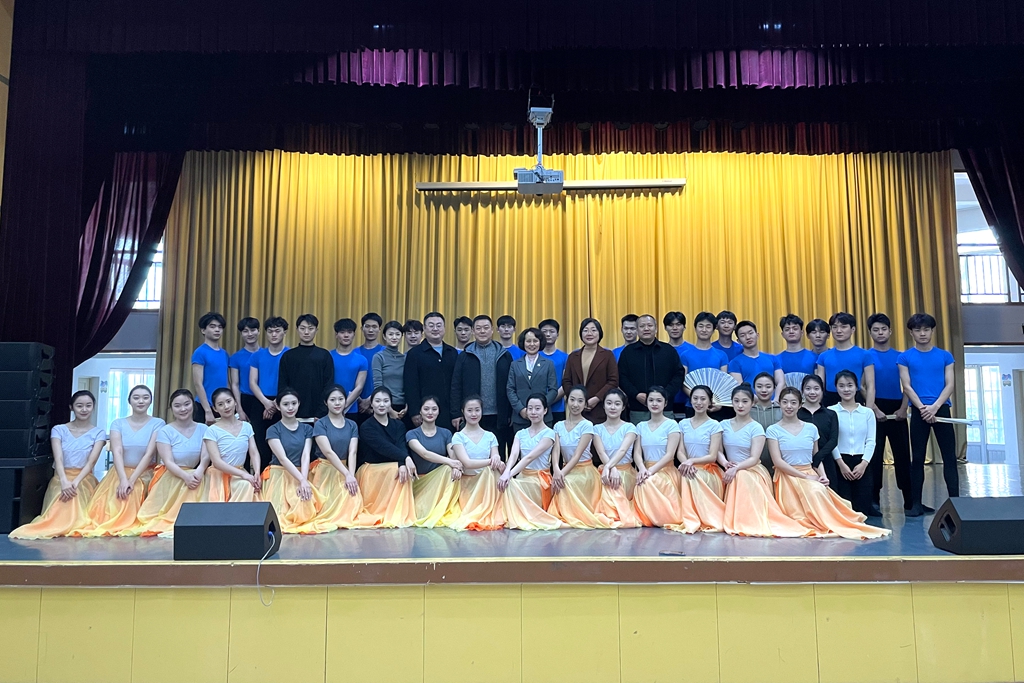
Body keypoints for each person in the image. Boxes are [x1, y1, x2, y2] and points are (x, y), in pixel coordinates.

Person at [769, 387, 890, 539]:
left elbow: (816, 457)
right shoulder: (773, 430)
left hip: (809, 472)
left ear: (800, 405)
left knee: (818, 490)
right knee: (801, 507)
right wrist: (805, 477)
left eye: (793, 402)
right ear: (779, 403)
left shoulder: (811, 428)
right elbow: (778, 462)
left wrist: (823, 476)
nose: (789, 406)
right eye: (785, 402)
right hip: (787, 476)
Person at [9, 391, 106, 539]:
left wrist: (75, 483)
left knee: (76, 498)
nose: (84, 409)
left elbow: (91, 462)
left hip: (84, 479)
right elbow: (58, 458)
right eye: (79, 405)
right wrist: (64, 481)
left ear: (93, 407)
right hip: (61, 477)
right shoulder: (59, 429)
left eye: (88, 405)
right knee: (60, 505)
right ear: (71, 407)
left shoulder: (98, 433)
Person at [719, 384, 811, 538]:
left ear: (752, 403)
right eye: (736, 401)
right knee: (737, 475)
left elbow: (754, 458)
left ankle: (745, 521)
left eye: (745, 401)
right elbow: (718, 451)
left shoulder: (757, 428)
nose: (740, 405)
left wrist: (736, 468)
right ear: (731, 402)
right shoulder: (723, 425)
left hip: (751, 470)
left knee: (741, 476)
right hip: (730, 469)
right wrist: (725, 464)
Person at [76, 385, 164, 537]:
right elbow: (117, 451)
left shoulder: (158, 423)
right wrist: (124, 479)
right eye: (136, 398)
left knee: (134, 492)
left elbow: (149, 453)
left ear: (150, 401)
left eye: (145, 397)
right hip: (119, 472)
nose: (141, 401)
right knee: (110, 505)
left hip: (145, 472)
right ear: (129, 401)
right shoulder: (118, 423)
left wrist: (132, 480)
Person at [125, 389, 211, 537]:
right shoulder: (165, 431)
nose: (183, 409)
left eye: (186, 404)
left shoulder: (204, 429)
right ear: (171, 408)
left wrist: (199, 471)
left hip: (195, 474)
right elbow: (168, 461)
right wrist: (186, 476)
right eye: (177, 406)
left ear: (193, 405)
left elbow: (205, 457)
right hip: (171, 475)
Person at [898, 313, 958, 517]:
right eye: (918, 330)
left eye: (926, 329)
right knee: (917, 458)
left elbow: (950, 384)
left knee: (949, 458)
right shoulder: (904, 357)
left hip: (941, 409)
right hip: (918, 410)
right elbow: (906, 386)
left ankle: (956, 503)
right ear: (911, 332)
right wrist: (923, 408)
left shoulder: (945, 356)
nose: (922, 333)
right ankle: (916, 504)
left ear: (932, 331)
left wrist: (935, 406)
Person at [311, 385, 379, 530]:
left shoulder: (352, 425)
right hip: (326, 470)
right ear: (326, 402)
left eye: (340, 399)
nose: (337, 403)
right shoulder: (320, 424)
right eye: (333, 400)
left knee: (351, 503)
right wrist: (347, 474)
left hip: (346, 470)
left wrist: (351, 475)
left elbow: (352, 452)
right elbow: (328, 452)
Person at [497, 394, 563, 530]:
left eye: (537, 408)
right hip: (523, 476)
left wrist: (509, 475)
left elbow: (529, 457)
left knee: (511, 484)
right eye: (530, 408)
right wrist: (507, 472)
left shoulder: (549, 433)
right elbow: (513, 455)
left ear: (545, 410)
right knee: (506, 483)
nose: (533, 412)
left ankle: (523, 517)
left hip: (540, 479)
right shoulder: (520, 433)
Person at [263, 390, 324, 533]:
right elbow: (283, 459)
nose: (290, 407)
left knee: (306, 506)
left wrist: (304, 480)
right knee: (281, 515)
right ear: (278, 406)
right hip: (280, 474)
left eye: (293, 403)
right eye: (286, 404)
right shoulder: (273, 430)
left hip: (301, 473)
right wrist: (302, 480)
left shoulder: (307, 429)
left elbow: (305, 455)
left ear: (298, 404)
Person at [868, 313, 912, 512]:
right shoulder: (866, 356)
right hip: (874, 408)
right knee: (875, 457)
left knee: (902, 456)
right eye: (876, 330)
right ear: (870, 333)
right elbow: (863, 386)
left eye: (883, 329)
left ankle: (910, 501)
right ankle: (873, 501)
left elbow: (908, 385)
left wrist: (903, 407)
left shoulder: (901, 356)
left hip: (898, 408)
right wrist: (874, 408)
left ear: (890, 331)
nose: (880, 333)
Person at [450, 315, 513, 453]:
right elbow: (456, 385)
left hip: (499, 414)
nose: (482, 331)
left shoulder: (504, 355)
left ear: (492, 330)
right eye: (478, 328)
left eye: (486, 328)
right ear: (473, 331)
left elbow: (511, 385)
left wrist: (510, 412)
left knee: (498, 454)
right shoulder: (465, 355)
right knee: (473, 453)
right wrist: (456, 413)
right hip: (472, 413)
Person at [357, 386, 416, 527]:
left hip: (393, 466)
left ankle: (399, 512)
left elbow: (401, 445)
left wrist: (402, 463)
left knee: (402, 470)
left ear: (390, 404)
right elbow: (384, 447)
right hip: (372, 469)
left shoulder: (399, 425)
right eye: (377, 401)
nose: (381, 404)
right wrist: (406, 458)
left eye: (385, 401)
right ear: (371, 404)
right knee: (397, 469)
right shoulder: (366, 427)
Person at [547, 386, 606, 528]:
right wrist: (556, 470)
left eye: (580, 401)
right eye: (572, 400)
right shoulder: (558, 425)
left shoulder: (587, 425)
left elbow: (577, 455)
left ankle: (574, 515)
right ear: (566, 401)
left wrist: (561, 474)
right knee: (558, 482)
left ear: (585, 404)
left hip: (584, 471)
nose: (575, 404)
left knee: (565, 482)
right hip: (565, 469)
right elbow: (556, 451)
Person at [632, 387, 687, 528]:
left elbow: (670, 455)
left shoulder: (672, 425)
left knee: (650, 481)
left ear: (665, 403)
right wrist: (642, 469)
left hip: (665, 471)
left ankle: (662, 517)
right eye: (651, 400)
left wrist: (650, 471)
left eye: (658, 400)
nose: (654, 404)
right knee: (644, 480)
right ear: (646, 403)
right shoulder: (641, 426)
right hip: (645, 469)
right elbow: (637, 453)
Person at [449, 396, 506, 531]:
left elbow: (495, 455)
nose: (473, 414)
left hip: (487, 485)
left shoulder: (490, 436)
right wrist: (491, 461)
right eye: (470, 410)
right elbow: (467, 463)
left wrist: (497, 460)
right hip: (468, 485)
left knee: (493, 472)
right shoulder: (458, 437)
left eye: (477, 410)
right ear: (463, 412)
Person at [675, 385, 727, 533]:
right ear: (690, 400)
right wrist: (687, 463)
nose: (699, 402)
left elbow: (712, 455)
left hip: (707, 470)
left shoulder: (715, 425)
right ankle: (689, 517)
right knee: (686, 476)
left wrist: (692, 461)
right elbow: (680, 451)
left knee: (693, 477)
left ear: (710, 401)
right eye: (695, 398)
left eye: (703, 399)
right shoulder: (683, 424)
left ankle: (705, 517)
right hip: (687, 467)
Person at [406, 396, 462, 527]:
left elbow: (453, 455)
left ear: (439, 411)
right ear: (420, 411)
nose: (430, 412)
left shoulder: (446, 433)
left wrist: (455, 466)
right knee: (449, 466)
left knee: (450, 469)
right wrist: (450, 462)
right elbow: (424, 453)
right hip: (420, 481)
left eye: (434, 409)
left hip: (441, 481)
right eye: (426, 409)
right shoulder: (412, 434)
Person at [617, 314, 685, 422]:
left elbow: (678, 375)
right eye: (642, 326)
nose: (646, 328)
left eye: (650, 325)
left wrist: (665, 394)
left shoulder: (668, 350)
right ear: (637, 330)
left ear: (656, 328)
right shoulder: (628, 352)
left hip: (665, 408)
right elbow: (622, 377)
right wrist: (636, 394)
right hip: (638, 409)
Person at [590, 389, 643, 526]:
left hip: (625, 472)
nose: (612, 407)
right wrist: (610, 469)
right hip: (605, 472)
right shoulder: (597, 429)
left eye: (617, 404)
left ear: (623, 407)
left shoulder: (630, 427)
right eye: (609, 403)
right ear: (603, 406)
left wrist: (609, 467)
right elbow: (601, 453)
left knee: (614, 493)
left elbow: (622, 450)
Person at [829, 370, 877, 516]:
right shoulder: (831, 412)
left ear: (856, 387)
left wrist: (863, 464)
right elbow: (832, 441)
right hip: (839, 463)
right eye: (841, 386)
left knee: (862, 510)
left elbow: (871, 441)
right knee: (844, 510)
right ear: (836, 388)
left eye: (850, 385)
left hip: (862, 463)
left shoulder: (867, 413)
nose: (846, 389)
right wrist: (841, 464)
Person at [204, 388, 262, 501]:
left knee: (249, 486)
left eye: (228, 401)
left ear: (235, 401)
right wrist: (243, 474)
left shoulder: (246, 426)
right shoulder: (211, 430)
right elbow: (217, 462)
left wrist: (257, 472)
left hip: (240, 474)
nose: (226, 406)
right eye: (220, 404)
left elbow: (254, 452)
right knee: (245, 485)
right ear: (215, 408)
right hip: (219, 476)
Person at [404, 312, 459, 428]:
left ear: (444, 328)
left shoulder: (452, 352)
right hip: (424, 412)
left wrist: (457, 412)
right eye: (431, 325)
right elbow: (410, 385)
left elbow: (457, 384)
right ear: (424, 328)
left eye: (439, 325)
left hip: (449, 412)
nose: (435, 329)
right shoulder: (414, 354)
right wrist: (415, 411)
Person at [248, 315, 289, 469]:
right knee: (260, 441)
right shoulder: (257, 355)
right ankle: (260, 474)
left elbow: (292, 383)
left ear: (284, 332)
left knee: (283, 443)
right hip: (260, 401)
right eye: (270, 331)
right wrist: (266, 403)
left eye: (277, 331)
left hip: (284, 402)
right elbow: (253, 382)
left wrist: (276, 404)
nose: (274, 334)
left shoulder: (290, 354)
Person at [277, 314, 334, 420]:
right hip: (292, 412)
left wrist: (321, 412)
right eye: (302, 328)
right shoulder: (288, 356)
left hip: (319, 415)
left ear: (316, 330)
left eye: (310, 328)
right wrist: (288, 409)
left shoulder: (324, 355)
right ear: (297, 330)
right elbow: (283, 385)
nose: (306, 332)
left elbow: (328, 385)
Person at [563, 318, 619, 424]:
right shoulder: (573, 356)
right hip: (576, 408)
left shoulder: (607, 355)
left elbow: (613, 381)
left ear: (600, 333)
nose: (589, 333)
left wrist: (596, 398)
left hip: (599, 406)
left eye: (593, 330)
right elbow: (566, 381)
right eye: (585, 330)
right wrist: (576, 400)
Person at [816, 312, 875, 407]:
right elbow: (819, 385)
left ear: (853, 329)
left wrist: (869, 410)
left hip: (855, 399)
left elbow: (870, 386)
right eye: (834, 327)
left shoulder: (865, 355)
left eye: (843, 327)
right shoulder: (823, 356)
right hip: (830, 400)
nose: (838, 330)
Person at [506, 328, 559, 431]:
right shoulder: (515, 364)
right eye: (528, 341)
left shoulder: (548, 364)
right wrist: (521, 409)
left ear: (540, 342)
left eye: (535, 341)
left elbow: (553, 390)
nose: (532, 344)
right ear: (523, 343)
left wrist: (540, 407)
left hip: (543, 417)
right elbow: (510, 389)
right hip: (520, 417)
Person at [680, 311, 730, 418]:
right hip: (692, 406)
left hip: (715, 406)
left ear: (714, 329)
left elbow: (723, 383)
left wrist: (716, 403)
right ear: (695, 328)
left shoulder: (721, 355)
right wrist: (697, 399)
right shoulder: (685, 355)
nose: (704, 330)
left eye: (708, 326)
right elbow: (683, 383)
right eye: (701, 326)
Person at [797, 375, 840, 488]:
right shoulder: (797, 413)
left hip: (827, 460)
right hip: (803, 463)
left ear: (822, 390)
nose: (812, 392)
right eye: (808, 388)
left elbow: (833, 440)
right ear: (802, 391)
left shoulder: (830, 414)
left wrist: (817, 458)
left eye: (816, 388)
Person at [191, 312, 230, 424]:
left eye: (220, 327)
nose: (217, 330)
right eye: (212, 327)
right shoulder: (200, 352)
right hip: (205, 406)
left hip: (222, 406)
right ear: (203, 330)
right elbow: (198, 384)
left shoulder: (224, 354)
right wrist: (207, 410)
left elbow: (226, 382)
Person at [329, 318, 370, 421]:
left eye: (349, 332)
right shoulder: (328, 356)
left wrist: (343, 406)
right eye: (342, 332)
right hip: (330, 409)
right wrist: (335, 406)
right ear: (336, 335)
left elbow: (359, 387)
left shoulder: (361, 360)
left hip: (351, 410)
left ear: (354, 334)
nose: (346, 335)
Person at [728, 321, 784, 395]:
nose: (748, 337)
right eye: (742, 335)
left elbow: (781, 382)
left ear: (757, 335)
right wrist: (758, 400)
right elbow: (740, 388)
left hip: (773, 401)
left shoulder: (772, 359)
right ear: (739, 341)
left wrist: (776, 399)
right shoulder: (734, 363)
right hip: (749, 401)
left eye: (750, 333)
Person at [372, 320, 408, 421]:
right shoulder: (379, 357)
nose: (394, 337)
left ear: (402, 336)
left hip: (404, 407)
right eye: (391, 334)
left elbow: (410, 384)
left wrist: (407, 406)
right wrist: (390, 410)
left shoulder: (405, 358)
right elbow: (378, 385)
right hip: (385, 405)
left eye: (397, 334)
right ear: (384, 336)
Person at [229, 317, 261, 424]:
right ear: (241, 334)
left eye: (253, 330)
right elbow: (235, 384)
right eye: (245, 331)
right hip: (245, 399)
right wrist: (239, 408)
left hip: (264, 398)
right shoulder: (236, 357)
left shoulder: (266, 354)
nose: (250, 334)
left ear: (259, 331)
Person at [539, 318, 570, 422]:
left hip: (558, 408)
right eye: (544, 331)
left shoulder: (565, 357)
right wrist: (539, 403)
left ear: (558, 335)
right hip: (536, 408)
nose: (548, 334)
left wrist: (548, 401)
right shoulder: (533, 356)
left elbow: (566, 383)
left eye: (552, 331)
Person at [750, 372, 782, 472]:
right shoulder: (748, 411)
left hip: (780, 463)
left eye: (768, 386)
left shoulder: (782, 410)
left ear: (774, 388)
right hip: (753, 464)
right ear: (754, 388)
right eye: (759, 386)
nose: (764, 390)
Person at [664, 311, 694, 415]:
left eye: (678, 324)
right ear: (665, 328)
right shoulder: (661, 350)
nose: (675, 328)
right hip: (666, 401)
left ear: (684, 327)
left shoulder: (692, 350)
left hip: (689, 402)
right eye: (671, 325)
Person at [356, 312, 386, 416]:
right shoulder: (354, 353)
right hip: (357, 405)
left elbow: (388, 380)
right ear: (362, 329)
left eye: (374, 327)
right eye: (367, 326)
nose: (370, 330)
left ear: (379, 329)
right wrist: (360, 401)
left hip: (381, 405)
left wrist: (370, 400)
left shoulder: (386, 352)